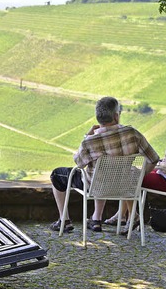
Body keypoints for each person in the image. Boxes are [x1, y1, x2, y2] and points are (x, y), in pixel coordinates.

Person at [49, 97, 159, 233]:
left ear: (98, 118)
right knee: (101, 174)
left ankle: (64, 220)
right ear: (116, 116)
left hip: (95, 186)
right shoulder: (132, 134)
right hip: (124, 184)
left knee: (57, 174)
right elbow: (153, 159)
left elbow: (79, 163)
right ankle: (96, 218)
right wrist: (136, 176)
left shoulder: (90, 141)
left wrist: (86, 137)